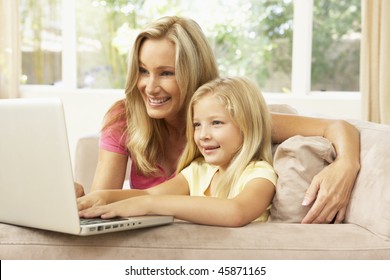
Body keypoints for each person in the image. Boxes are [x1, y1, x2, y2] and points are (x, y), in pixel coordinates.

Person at [75, 16, 360, 224]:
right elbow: (108, 198)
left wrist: (346, 164)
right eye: (142, 70)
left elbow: (336, 126)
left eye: (166, 73)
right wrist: (82, 201)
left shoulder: (235, 118)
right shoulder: (191, 165)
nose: (150, 87)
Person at [78, 77, 277, 226]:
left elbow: (237, 212)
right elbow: (149, 193)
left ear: (248, 126)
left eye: (216, 123)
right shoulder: (199, 170)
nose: (203, 135)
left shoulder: (259, 174)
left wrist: (149, 205)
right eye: (197, 125)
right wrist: (103, 198)